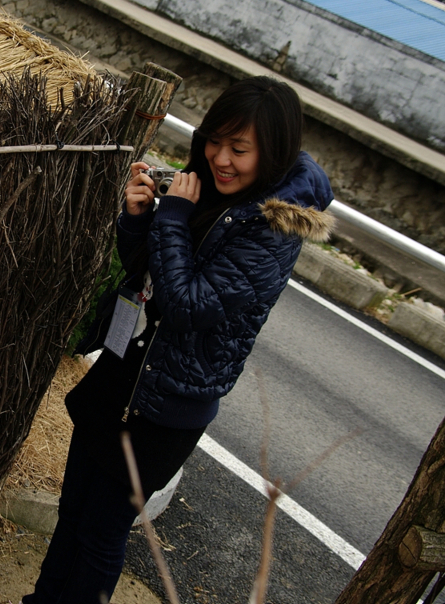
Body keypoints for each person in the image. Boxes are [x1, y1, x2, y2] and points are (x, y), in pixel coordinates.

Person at [23, 76, 335, 603]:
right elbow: (150, 277)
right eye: (215, 140)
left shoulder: (274, 230)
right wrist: (139, 218)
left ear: (274, 151)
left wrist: (171, 218)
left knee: (101, 533)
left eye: (239, 149)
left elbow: (188, 305)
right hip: (122, 374)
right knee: (72, 512)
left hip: (166, 409)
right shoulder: (209, 189)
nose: (220, 158)